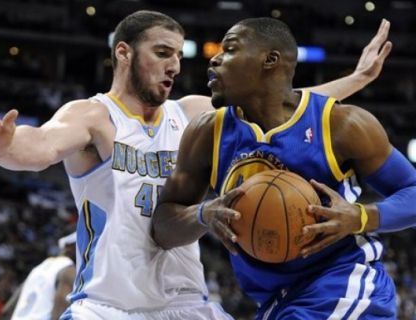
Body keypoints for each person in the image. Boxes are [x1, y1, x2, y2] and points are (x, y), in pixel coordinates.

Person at [0, 10, 392, 320]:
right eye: (162, 53)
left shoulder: (192, 113)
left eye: (178, 54)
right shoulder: (93, 116)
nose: (174, 64)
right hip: (109, 305)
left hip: (185, 302)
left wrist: (357, 79)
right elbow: (36, 147)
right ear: (123, 53)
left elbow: (284, 105)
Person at [152, 17, 416, 319]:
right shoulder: (207, 133)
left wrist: (361, 216)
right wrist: (203, 214)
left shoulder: (341, 125)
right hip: (277, 302)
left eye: (230, 49)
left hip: (343, 286)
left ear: (270, 60)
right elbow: (162, 226)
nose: (215, 58)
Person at [3, 232, 76, 320]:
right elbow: (61, 308)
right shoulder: (69, 269)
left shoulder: (37, 268)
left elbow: (7, 309)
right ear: (70, 247)